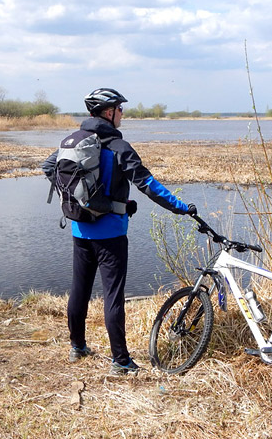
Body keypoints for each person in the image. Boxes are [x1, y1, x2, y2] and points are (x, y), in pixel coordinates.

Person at [65, 88, 196, 374]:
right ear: (108, 113)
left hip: (80, 228)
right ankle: (121, 361)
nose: (123, 114)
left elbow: (51, 167)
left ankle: (77, 347)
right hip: (110, 233)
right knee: (113, 295)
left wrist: (82, 200)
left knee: (79, 290)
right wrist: (180, 207)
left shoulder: (75, 140)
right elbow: (149, 185)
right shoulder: (119, 147)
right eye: (120, 109)